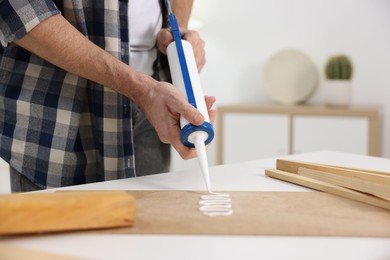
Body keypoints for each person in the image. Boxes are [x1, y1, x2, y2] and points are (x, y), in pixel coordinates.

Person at [0, 0, 216, 192]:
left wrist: (176, 31)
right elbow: (20, 9)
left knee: (147, 232)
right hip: (59, 114)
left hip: (155, 109)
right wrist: (143, 90)